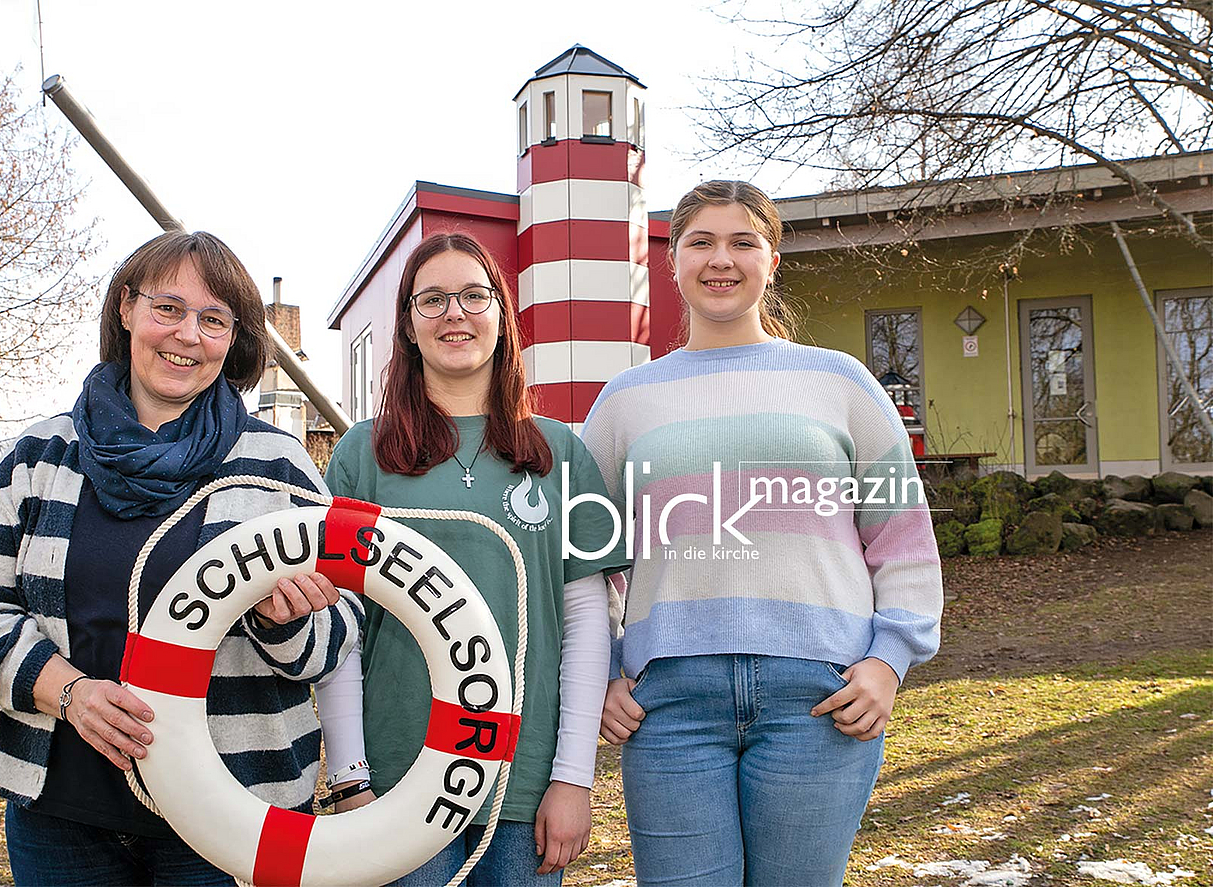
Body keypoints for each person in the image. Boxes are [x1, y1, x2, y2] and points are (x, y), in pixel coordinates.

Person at [0, 231, 365, 886]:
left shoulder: (277, 465)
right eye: (168, 308)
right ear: (126, 309)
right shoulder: (39, 457)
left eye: (214, 319)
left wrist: (287, 623)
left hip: (233, 816)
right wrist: (70, 694)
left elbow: (341, 632)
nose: (187, 335)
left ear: (233, 339)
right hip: (63, 818)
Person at [584, 181, 943, 886]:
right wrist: (600, 670)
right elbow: (585, 558)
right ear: (673, 262)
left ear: (771, 261)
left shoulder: (840, 382)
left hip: (821, 699)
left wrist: (889, 658)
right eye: (701, 242)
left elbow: (902, 538)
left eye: (742, 242)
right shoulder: (625, 401)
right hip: (669, 706)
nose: (721, 259)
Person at [323, 233, 628, 885]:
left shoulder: (561, 453)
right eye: (432, 299)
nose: (454, 313)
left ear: (501, 313)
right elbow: (339, 628)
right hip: (398, 783)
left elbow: (585, 625)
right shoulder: (359, 457)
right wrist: (349, 775)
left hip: (526, 786)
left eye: (473, 295)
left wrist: (573, 779)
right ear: (408, 324)